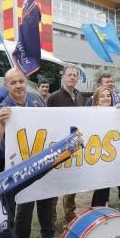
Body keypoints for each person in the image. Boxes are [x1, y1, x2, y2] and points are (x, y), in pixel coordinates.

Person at [0, 68, 59, 238]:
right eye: (13, 82)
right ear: (6, 86)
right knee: (24, 204)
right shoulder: (3, 107)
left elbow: (50, 124)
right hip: (18, 166)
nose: (18, 85)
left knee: (45, 197)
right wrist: (1, 124)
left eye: (21, 81)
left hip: (40, 161)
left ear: (26, 82)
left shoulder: (37, 101)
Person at [47, 66, 84, 224]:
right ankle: (52, 217)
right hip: (57, 145)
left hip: (74, 145)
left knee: (72, 181)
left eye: (75, 75)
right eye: (69, 75)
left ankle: (70, 214)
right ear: (63, 77)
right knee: (56, 182)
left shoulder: (80, 96)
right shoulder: (53, 97)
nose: (72, 77)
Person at [86, 73, 120, 204]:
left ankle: (103, 205)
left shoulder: (116, 111)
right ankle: (97, 208)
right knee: (100, 186)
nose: (106, 98)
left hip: (111, 154)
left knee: (106, 183)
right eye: (102, 96)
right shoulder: (90, 113)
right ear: (96, 99)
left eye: (108, 96)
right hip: (97, 154)